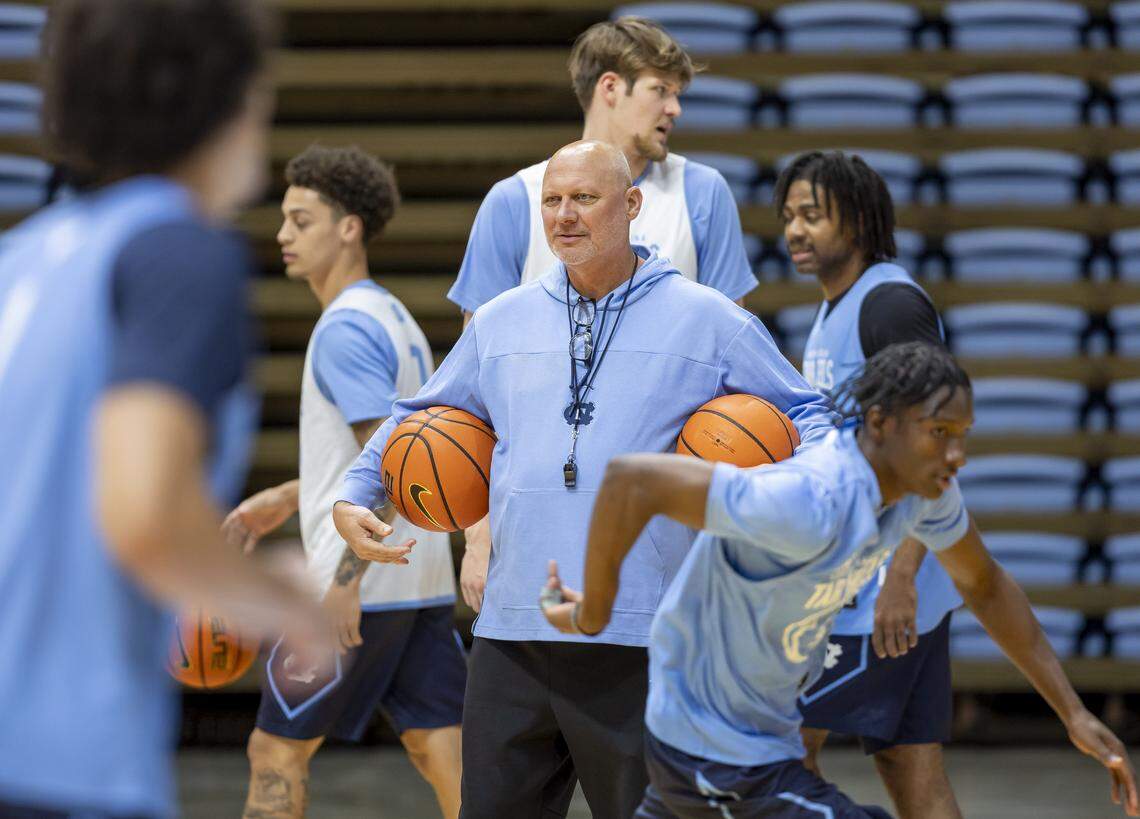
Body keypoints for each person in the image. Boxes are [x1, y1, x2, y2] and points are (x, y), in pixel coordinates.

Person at [333, 140, 834, 819]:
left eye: (584, 199)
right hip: (512, 634)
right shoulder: (502, 319)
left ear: (631, 205)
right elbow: (421, 415)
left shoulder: (706, 317)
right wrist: (356, 494)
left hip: (642, 637)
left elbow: (810, 414)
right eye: (552, 200)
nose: (564, 215)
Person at [540, 341, 1140, 819]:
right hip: (719, 755)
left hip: (739, 740)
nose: (956, 454)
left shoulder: (924, 495)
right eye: (939, 433)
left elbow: (985, 586)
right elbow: (630, 481)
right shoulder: (810, 500)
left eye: (963, 436)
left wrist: (1073, 713)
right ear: (879, 423)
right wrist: (595, 612)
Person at [0, 1, 330, 817]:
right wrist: (280, 601)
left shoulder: (25, 257)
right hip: (60, 761)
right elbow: (144, 510)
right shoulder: (178, 252)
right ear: (232, 98)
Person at [448, 17, 760, 619]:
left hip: (666, 519)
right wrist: (478, 536)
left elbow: (737, 379)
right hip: (537, 518)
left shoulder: (704, 194)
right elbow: (473, 393)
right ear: (610, 88)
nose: (674, 108)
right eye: (660, 90)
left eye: (678, 94)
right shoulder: (515, 200)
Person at [222, 146, 466, 819]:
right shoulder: (393, 316)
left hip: (359, 584)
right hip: (419, 580)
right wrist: (284, 496)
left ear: (349, 227)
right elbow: (398, 453)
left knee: (276, 752)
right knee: (443, 750)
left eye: (301, 221)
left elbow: (388, 465)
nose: (282, 236)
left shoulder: (343, 331)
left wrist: (344, 583)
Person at [775, 150, 962, 818]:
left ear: (857, 220)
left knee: (775, 749)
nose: (795, 230)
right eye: (789, 216)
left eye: (813, 216)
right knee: (909, 763)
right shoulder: (838, 308)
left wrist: (903, 576)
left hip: (882, 590)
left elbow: (936, 443)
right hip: (874, 581)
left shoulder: (889, 305)